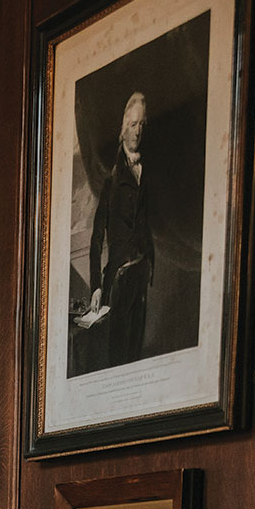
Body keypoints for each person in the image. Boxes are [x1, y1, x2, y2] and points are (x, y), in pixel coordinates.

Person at [88, 91, 154, 369]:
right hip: (119, 277)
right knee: (117, 361)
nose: (137, 131)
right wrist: (96, 285)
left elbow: (146, 221)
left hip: (141, 271)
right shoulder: (111, 182)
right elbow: (96, 237)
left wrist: (150, 260)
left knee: (135, 355)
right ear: (123, 129)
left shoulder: (149, 172)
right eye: (132, 125)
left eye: (141, 125)